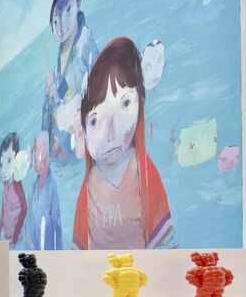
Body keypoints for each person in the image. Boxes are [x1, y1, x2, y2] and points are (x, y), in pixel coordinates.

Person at [72, 37, 175, 249]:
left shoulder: (143, 173)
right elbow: (78, 251)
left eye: (125, 103)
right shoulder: (89, 185)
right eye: (94, 121)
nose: (109, 133)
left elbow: (165, 244)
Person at [42, 0, 98, 171]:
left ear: (78, 4)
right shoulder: (57, 64)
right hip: (69, 143)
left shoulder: (85, 40)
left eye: (67, 10)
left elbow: (96, 85)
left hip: (88, 133)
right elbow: (61, 101)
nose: (61, 26)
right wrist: (53, 95)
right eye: (55, 21)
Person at [24, 131, 62, 250]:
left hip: (46, 246)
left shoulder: (52, 187)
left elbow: (57, 224)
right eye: (35, 159)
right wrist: (28, 239)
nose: (37, 163)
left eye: (40, 159)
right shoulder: (33, 186)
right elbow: (28, 217)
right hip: (31, 246)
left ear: (47, 158)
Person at [0, 132, 27, 248]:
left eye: (9, 161)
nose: (4, 170)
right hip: (7, 238)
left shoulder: (17, 184)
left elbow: (24, 208)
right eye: (1, 163)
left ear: (17, 158)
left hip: (17, 239)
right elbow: (3, 209)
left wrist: (15, 238)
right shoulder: (5, 184)